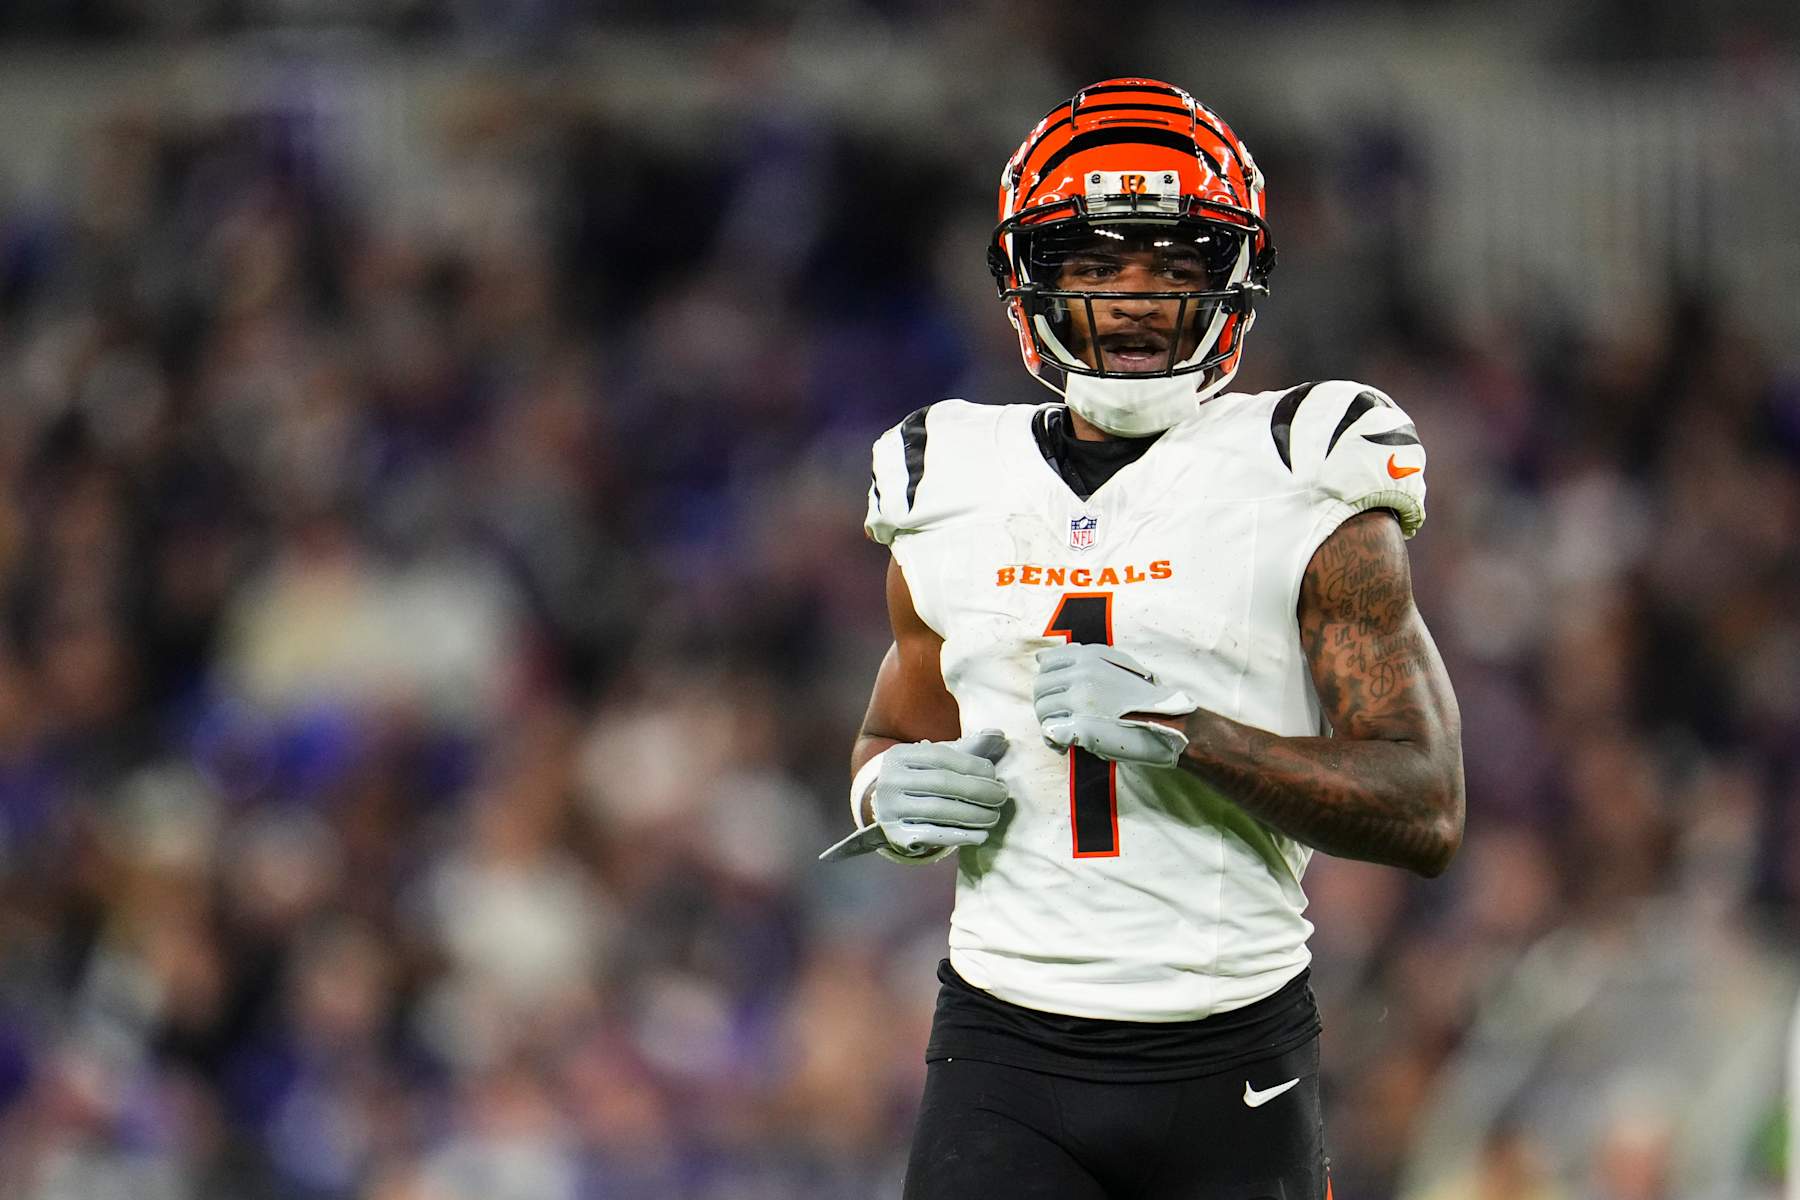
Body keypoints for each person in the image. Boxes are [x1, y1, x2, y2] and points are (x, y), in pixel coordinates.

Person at [821, 77, 1464, 1200]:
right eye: (1093, 264)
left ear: (1232, 279)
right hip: (1002, 1044)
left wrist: (1184, 732)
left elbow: (1425, 805)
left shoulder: (1308, 465)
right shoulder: (946, 475)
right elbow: (892, 730)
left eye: (1172, 267)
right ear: (1030, 279)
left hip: (1230, 1043)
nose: (1133, 301)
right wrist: (886, 797)